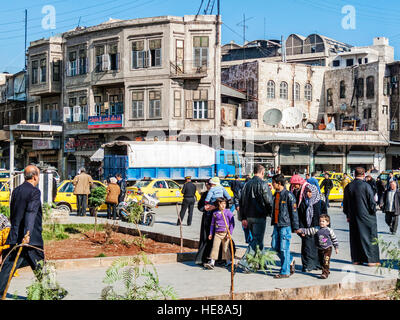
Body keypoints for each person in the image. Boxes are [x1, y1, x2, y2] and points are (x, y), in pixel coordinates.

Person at [0, 165, 44, 297]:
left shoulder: (16, 190)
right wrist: (27, 233)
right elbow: (30, 213)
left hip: (16, 235)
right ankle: (49, 290)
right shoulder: (35, 192)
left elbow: (13, 213)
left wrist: (17, 231)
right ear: (35, 176)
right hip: (30, 237)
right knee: (40, 264)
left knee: (9, 266)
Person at [237, 164, 273, 273]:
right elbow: (269, 201)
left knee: (258, 241)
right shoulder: (263, 184)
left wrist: (243, 217)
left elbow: (241, 201)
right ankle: (245, 262)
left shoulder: (246, 185)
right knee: (256, 240)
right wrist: (272, 214)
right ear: (262, 173)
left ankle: (261, 263)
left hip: (248, 216)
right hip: (259, 215)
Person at [343, 167, 380, 266]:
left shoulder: (349, 186)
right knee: (370, 236)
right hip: (366, 215)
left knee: (355, 237)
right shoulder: (366, 186)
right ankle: (371, 260)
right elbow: (372, 202)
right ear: (364, 175)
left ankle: (356, 259)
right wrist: (373, 212)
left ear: (354, 174)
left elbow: (345, 203)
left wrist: (347, 214)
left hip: (353, 216)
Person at [270, 174, 299, 278]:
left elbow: (294, 212)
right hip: (276, 225)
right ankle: (290, 260)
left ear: (279, 183)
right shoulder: (275, 195)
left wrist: (295, 227)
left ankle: (285, 271)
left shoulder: (288, 195)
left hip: (285, 226)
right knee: (274, 246)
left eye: (273, 182)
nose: (272, 184)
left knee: (284, 249)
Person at [296, 214, 339, 279]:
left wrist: (336, 247)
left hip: (328, 248)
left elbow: (334, 239)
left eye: (323, 221)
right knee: (321, 261)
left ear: (327, 223)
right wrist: (301, 230)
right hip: (319, 248)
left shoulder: (329, 230)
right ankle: (326, 270)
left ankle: (325, 273)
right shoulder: (316, 229)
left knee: (326, 260)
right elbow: (308, 231)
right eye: (320, 221)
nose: (321, 223)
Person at [297, 183, 327, 272]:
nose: (308, 194)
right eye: (307, 192)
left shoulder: (321, 203)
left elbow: (326, 217)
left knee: (319, 249)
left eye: (310, 192)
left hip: (318, 230)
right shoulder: (303, 203)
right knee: (307, 248)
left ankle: (318, 265)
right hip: (306, 230)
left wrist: (326, 230)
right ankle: (307, 265)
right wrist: (301, 230)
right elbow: (300, 217)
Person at [204, 198, 235, 270]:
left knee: (225, 248)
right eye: (221, 204)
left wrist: (229, 233)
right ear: (218, 204)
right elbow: (212, 224)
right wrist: (211, 233)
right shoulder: (215, 213)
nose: (223, 205)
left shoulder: (228, 212)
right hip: (217, 233)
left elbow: (232, 223)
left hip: (225, 234)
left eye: (224, 203)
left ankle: (228, 261)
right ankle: (212, 262)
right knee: (215, 247)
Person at [195, 182, 214, 265]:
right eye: (207, 185)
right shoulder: (205, 194)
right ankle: (202, 258)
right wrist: (205, 208)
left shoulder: (219, 194)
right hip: (207, 219)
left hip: (217, 220)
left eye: (210, 185)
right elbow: (200, 206)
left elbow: (225, 204)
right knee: (205, 238)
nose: (208, 186)